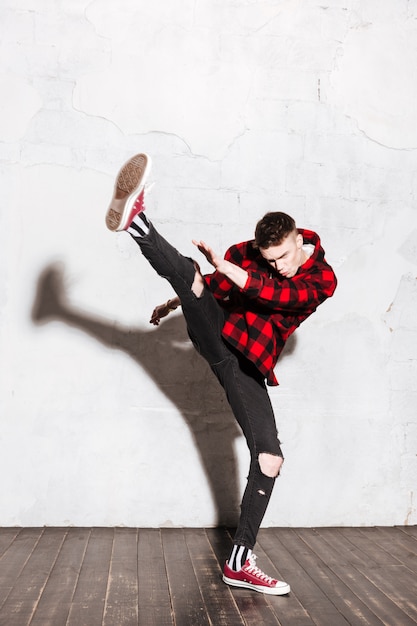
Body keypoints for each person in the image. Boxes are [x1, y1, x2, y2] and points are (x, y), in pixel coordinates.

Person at [105, 153, 337, 595]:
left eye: (283, 256)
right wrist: (178, 302)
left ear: (298, 239)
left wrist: (230, 271)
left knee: (270, 459)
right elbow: (219, 283)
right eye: (268, 259)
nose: (276, 265)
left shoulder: (322, 278)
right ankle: (136, 222)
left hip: (245, 364)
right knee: (192, 278)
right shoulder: (247, 254)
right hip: (216, 333)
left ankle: (238, 561)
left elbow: (279, 294)